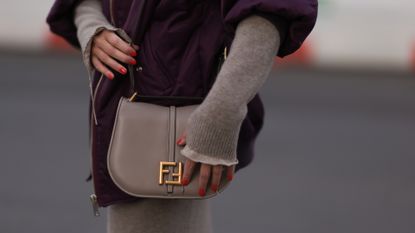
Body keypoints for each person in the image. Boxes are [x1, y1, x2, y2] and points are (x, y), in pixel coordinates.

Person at [46, 0, 317, 232]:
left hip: (180, 129)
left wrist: (218, 117)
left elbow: (269, 12)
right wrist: (92, 27)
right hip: (124, 119)